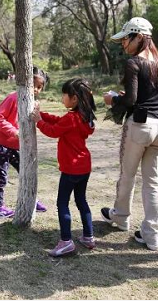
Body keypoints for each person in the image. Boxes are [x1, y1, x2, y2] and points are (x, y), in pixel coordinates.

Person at [100, 17, 158, 252]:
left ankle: (120, 217)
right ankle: (152, 236)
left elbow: (130, 100)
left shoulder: (134, 63)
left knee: (127, 174)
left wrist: (114, 99)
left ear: (139, 37)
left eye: (126, 39)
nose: (123, 44)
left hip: (140, 127)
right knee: (152, 182)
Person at [32, 78, 97, 257]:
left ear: (74, 98)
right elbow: (59, 121)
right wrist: (42, 115)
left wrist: (38, 121)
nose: (62, 98)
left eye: (64, 95)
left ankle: (66, 241)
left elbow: (53, 131)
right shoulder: (84, 117)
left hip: (71, 169)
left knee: (62, 203)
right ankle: (88, 236)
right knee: (81, 201)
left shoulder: (71, 118)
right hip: (84, 167)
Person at [0, 67, 48, 218]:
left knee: (27, 174)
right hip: (1, 146)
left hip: (19, 148)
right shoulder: (12, 98)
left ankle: (32, 201)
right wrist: (14, 132)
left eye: (39, 87)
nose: (35, 90)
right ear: (26, 83)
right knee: (1, 177)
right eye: (33, 85)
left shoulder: (34, 103)